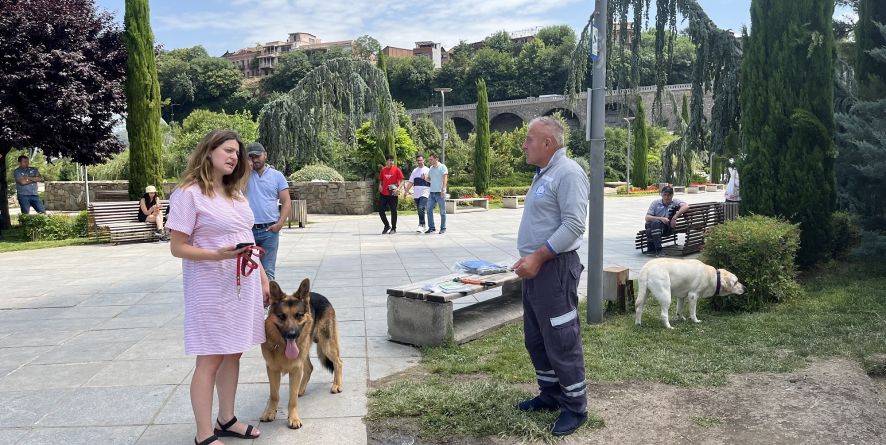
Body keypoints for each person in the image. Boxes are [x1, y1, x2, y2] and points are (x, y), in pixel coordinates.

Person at [166, 130, 269, 445]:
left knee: (234, 353)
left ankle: (227, 418)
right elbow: (177, 247)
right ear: (208, 152)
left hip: (243, 285)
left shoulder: (235, 194)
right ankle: (204, 434)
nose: (234, 156)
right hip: (209, 288)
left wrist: (264, 279)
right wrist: (217, 255)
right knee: (209, 359)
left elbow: (248, 240)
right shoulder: (188, 193)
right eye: (227, 150)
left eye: (237, 152)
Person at [512, 117, 589, 436]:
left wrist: (538, 256)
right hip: (535, 270)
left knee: (561, 338)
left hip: (553, 269)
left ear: (548, 143)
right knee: (536, 338)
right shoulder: (545, 173)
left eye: (530, 139)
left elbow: (573, 226)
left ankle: (575, 407)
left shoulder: (569, 173)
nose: (524, 144)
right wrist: (528, 258)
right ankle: (551, 394)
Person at [245, 142, 290, 281]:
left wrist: (280, 223)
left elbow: (286, 201)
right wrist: (245, 169)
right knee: (248, 270)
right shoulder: (242, 176)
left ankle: (268, 302)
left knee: (268, 270)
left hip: (269, 230)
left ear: (265, 155)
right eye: (251, 157)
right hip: (247, 231)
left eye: (257, 156)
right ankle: (253, 302)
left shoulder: (277, 176)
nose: (255, 159)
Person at [644, 185, 688, 255]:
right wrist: (661, 218)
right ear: (661, 194)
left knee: (650, 230)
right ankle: (658, 249)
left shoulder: (675, 201)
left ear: (672, 195)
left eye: (669, 195)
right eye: (664, 195)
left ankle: (653, 249)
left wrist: (674, 217)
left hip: (667, 227)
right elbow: (647, 217)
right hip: (655, 226)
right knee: (655, 223)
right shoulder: (655, 203)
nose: (666, 197)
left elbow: (686, 206)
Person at [378, 154, 404, 234]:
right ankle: (386, 225)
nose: (391, 162)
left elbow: (402, 181)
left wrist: (398, 189)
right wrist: (380, 185)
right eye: (390, 160)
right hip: (384, 194)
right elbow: (381, 180)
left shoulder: (397, 170)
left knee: (393, 211)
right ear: (386, 161)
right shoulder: (383, 170)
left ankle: (393, 228)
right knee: (381, 210)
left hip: (393, 194)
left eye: (392, 160)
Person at [405, 154, 430, 233]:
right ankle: (423, 224)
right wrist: (406, 191)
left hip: (425, 191)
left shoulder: (428, 170)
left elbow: (432, 181)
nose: (419, 162)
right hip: (416, 193)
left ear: (424, 160)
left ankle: (421, 224)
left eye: (421, 160)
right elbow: (411, 182)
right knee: (419, 210)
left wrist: (425, 178)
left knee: (421, 207)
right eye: (418, 160)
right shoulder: (415, 171)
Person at [425, 152, 448, 234]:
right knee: (428, 209)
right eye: (429, 159)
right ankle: (431, 228)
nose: (430, 161)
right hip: (432, 193)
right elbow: (430, 179)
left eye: (431, 159)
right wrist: (425, 178)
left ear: (436, 159)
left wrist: (443, 189)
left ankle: (443, 228)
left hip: (440, 192)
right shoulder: (431, 168)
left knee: (442, 211)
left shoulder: (442, 167)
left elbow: (445, 179)